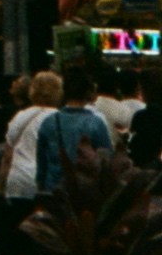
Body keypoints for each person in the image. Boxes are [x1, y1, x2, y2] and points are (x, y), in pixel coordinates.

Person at [0, 70, 62, 255]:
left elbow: (8, 154)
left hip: (19, 177)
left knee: (14, 224)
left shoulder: (20, 116)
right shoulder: (58, 118)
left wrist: (0, 186)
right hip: (46, 180)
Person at [30, 62, 115, 208]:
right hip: (85, 194)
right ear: (88, 92)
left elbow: (41, 163)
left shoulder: (49, 122)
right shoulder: (96, 123)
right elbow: (106, 161)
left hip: (54, 190)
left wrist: (41, 187)